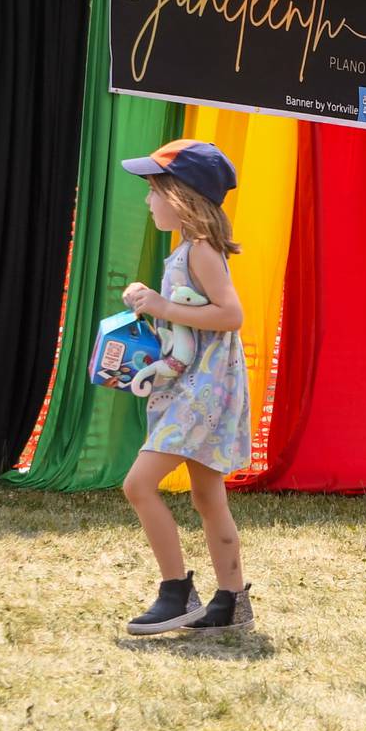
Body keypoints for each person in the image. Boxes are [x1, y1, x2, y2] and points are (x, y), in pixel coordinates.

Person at [117, 139, 255, 635]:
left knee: (138, 484)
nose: (148, 200)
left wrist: (160, 306)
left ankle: (176, 592)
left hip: (203, 392)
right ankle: (231, 601)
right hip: (194, 386)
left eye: (154, 190)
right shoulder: (188, 251)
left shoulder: (201, 251)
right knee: (207, 497)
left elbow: (231, 315)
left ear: (181, 195)